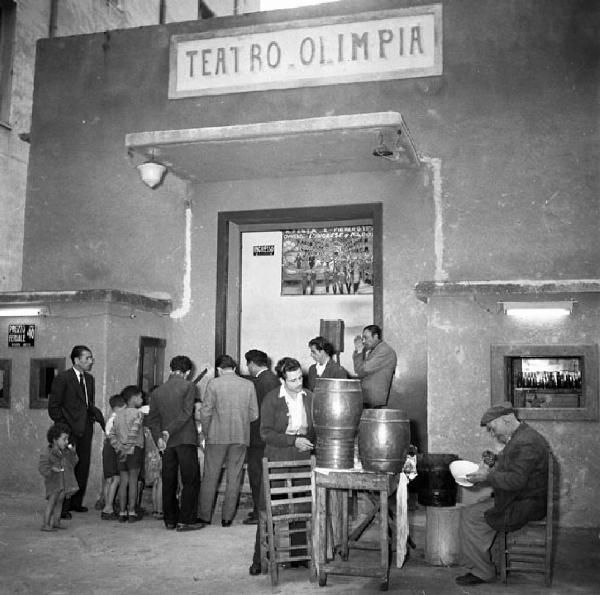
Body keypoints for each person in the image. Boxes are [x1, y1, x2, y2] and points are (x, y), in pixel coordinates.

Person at [455, 402, 550, 586]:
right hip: (522, 498)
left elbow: (516, 480)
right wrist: (491, 460)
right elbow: (512, 464)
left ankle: (483, 572)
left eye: (493, 428)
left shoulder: (526, 442)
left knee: (469, 515)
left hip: (525, 505)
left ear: (506, 420)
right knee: (481, 504)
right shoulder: (522, 436)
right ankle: (491, 562)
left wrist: (487, 475)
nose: (493, 433)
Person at [249, 357, 315, 576]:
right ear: (281, 380)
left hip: (302, 459)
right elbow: (265, 433)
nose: (298, 384)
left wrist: (308, 440)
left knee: (300, 506)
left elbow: (316, 428)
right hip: (277, 460)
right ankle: (259, 559)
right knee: (267, 509)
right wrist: (292, 440)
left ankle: (299, 557)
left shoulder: (310, 398)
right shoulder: (271, 399)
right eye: (293, 380)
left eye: (300, 378)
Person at [198, 355, 259, 527]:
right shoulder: (248, 385)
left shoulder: (214, 384)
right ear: (234, 368)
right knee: (235, 477)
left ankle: (204, 516)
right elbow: (254, 414)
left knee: (210, 476)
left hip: (216, 437)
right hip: (240, 437)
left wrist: (206, 432)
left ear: (218, 369)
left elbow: (205, 412)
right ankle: (227, 518)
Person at [147, 355, 202, 532]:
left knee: (169, 480)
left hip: (166, 444)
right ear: (187, 372)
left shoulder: (157, 391)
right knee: (190, 480)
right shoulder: (189, 386)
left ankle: (170, 520)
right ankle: (186, 520)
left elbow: (153, 420)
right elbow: (186, 413)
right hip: (185, 439)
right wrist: (168, 431)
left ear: (171, 369)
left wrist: (160, 438)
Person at [48, 345, 104, 517]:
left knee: (82, 465)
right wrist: (64, 429)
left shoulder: (90, 380)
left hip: (85, 428)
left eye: (91, 357)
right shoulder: (63, 378)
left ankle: (76, 503)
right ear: (76, 360)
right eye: (87, 358)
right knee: (66, 467)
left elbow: (87, 404)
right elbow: (54, 407)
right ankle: (62, 508)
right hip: (68, 430)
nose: (91, 361)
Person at [243, 349, 280, 525]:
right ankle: (259, 510)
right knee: (260, 474)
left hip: (258, 436)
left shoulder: (261, 382)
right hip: (264, 435)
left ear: (251, 364)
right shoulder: (271, 379)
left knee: (257, 474)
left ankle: (260, 513)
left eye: (248, 364)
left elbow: (257, 411)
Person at [108, 385, 145, 523]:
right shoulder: (137, 414)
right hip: (134, 450)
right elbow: (134, 432)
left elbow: (111, 434)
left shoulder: (118, 415)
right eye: (140, 397)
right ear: (133, 398)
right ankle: (132, 511)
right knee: (133, 481)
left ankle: (122, 512)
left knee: (123, 481)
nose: (142, 399)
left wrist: (120, 448)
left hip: (121, 452)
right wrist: (128, 448)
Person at [38, 422, 79, 531]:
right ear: (55, 439)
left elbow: (73, 462)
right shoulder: (48, 453)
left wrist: (73, 453)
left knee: (60, 502)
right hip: (53, 482)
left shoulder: (65, 452)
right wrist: (51, 470)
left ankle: (56, 521)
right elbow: (42, 467)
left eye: (67, 439)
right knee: (52, 502)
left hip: (63, 483)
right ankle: (46, 524)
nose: (67, 442)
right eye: (64, 439)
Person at [352, 325, 397, 408]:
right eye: (363, 338)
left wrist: (359, 351)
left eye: (366, 338)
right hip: (368, 399)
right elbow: (359, 371)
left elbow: (363, 369)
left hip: (374, 401)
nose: (364, 341)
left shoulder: (384, 350)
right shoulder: (374, 351)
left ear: (375, 336)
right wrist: (358, 352)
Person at [100, 393, 127, 520]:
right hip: (113, 449)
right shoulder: (116, 419)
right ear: (119, 407)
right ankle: (108, 507)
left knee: (109, 479)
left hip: (108, 449)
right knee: (115, 478)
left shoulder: (110, 418)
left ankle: (107, 506)